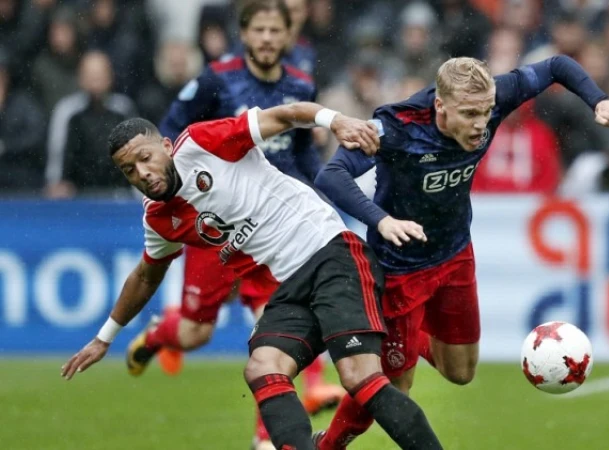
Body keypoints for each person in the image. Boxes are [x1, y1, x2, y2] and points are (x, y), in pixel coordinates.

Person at [61, 102, 444, 450]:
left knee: (359, 377)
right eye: (129, 170)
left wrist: (335, 121)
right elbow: (146, 276)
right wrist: (103, 338)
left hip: (330, 252)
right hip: (290, 284)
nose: (142, 173)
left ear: (164, 145)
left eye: (145, 158)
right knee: (263, 366)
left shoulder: (200, 143)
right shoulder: (159, 219)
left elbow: (283, 115)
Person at [313, 55, 609, 448]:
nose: (480, 124)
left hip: (454, 255)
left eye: (485, 112)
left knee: (461, 372)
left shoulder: (495, 95)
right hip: (399, 268)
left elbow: (556, 65)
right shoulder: (396, 128)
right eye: (468, 114)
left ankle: (399, 338)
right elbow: (330, 175)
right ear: (440, 106)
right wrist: (381, 219)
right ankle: (325, 445)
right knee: (393, 389)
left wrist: (598, 101)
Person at [148, 4, 343, 448]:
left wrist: (320, 189)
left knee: (279, 327)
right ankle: (158, 334)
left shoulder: (300, 83)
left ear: (288, 34)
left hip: (273, 225)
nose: (269, 38)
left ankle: (268, 437)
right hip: (216, 224)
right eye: (260, 29)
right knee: (195, 332)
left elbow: (301, 154)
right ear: (244, 34)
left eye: (277, 29)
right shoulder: (217, 79)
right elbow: (168, 134)